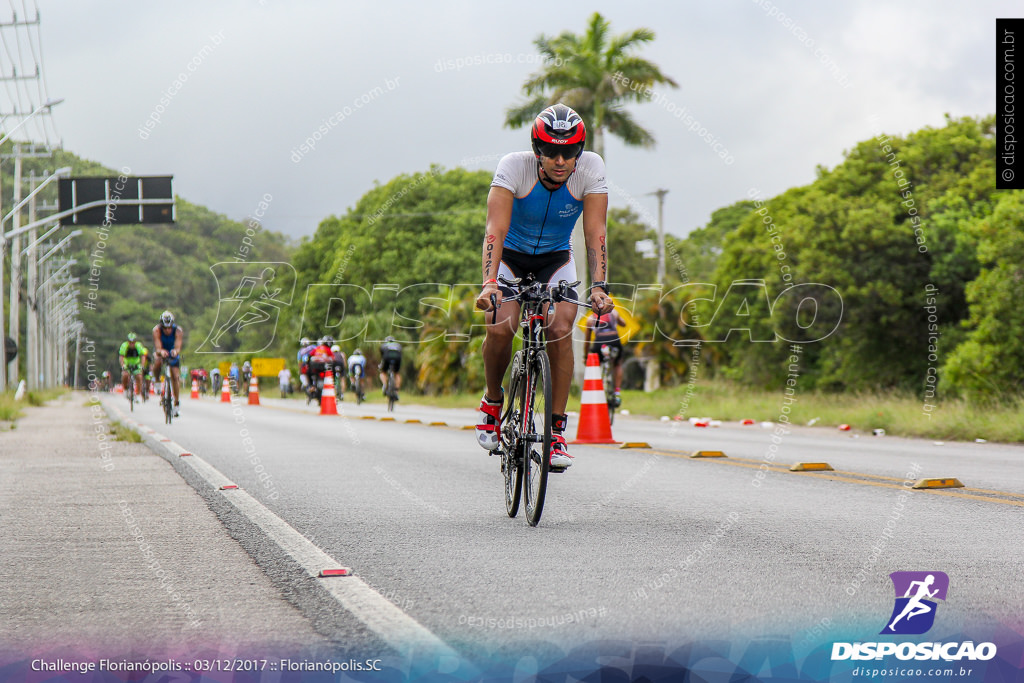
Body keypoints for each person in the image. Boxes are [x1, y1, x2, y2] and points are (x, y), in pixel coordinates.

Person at [474, 103, 613, 471]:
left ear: (579, 153)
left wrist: (599, 286)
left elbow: (595, 232)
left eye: (569, 152)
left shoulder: (591, 168)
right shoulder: (513, 167)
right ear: (537, 150)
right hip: (510, 257)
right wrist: (490, 284)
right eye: (551, 151)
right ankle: (491, 401)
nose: (560, 160)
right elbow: (495, 230)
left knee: (561, 327)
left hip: (555, 259)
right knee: (502, 324)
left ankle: (555, 433)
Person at [584, 302, 627, 406]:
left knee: (596, 365)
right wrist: (619, 320)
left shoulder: (590, 319)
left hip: (599, 342)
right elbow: (624, 324)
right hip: (614, 339)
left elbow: (587, 342)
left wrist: (585, 356)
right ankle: (617, 393)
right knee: (618, 364)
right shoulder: (614, 313)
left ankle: (598, 389)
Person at [151, 310, 184, 417]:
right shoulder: (156, 330)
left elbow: (178, 346)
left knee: (175, 376)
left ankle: (177, 402)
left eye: (169, 328)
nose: (167, 330)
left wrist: (175, 351)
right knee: (157, 362)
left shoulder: (178, 330)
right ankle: (156, 381)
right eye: (165, 328)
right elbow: (158, 346)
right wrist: (161, 352)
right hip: (161, 350)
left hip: (172, 351)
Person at [118, 332, 148, 398]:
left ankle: (138, 394)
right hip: (127, 364)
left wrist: (142, 366)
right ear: (128, 341)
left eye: (133, 342)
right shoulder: (124, 346)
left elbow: (143, 356)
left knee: (139, 377)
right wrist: (123, 365)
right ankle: (125, 389)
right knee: (125, 375)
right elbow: (121, 356)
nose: (132, 344)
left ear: (135, 341)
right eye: (130, 342)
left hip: (136, 364)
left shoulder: (139, 346)